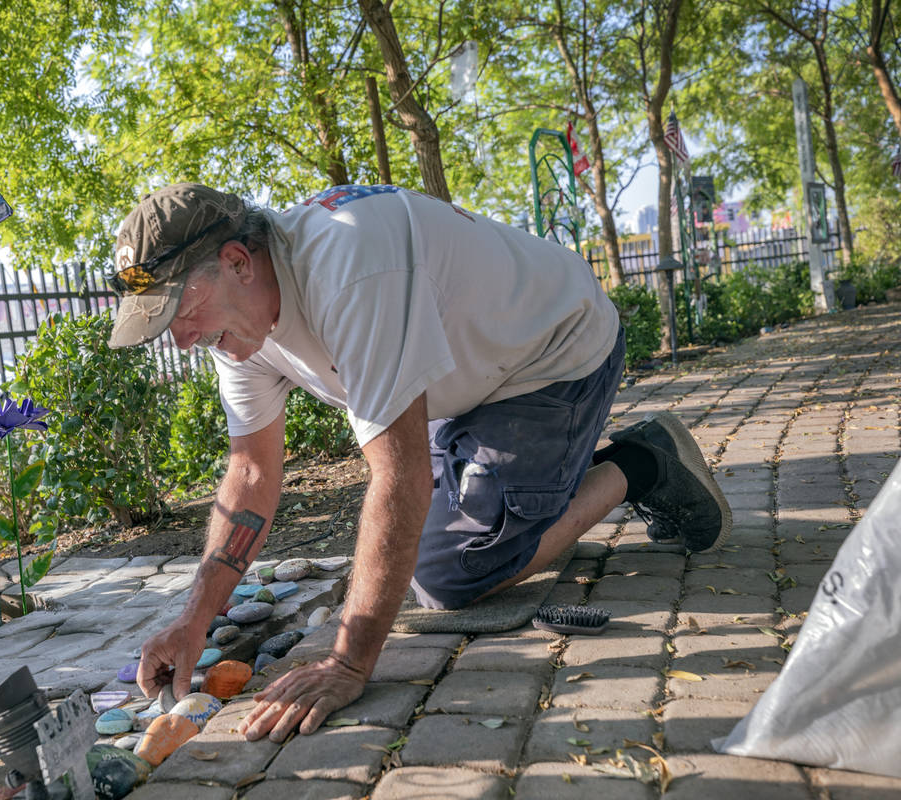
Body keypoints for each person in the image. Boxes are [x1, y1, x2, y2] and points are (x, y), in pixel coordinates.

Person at [109, 183, 731, 744]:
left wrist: (349, 664)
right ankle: (544, 482)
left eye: (181, 315)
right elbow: (249, 475)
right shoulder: (237, 327)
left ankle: (642, 462)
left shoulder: (347, 269)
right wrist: (192, 623)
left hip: (554, 355)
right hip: (465, 383)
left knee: (448, 574)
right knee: (417, 549)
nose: (180, 340)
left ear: (238, 263)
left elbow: (399, 478)